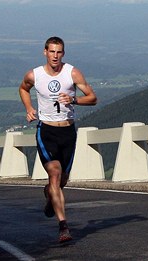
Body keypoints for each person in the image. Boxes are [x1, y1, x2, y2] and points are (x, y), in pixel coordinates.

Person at [19, 36, 97, 242]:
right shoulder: (34, 74)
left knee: (62, 180)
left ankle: (50, 197)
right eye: (52, 51)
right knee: (54, 173)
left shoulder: (72, 73)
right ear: (45, 52)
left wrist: (74, 99)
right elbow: (23, 88)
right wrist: (29, 108)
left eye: (59, 52)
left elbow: (93, 98)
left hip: (68, 132)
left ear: (63, 53)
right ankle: (63, 227)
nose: (55, 56)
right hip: (46, 131)